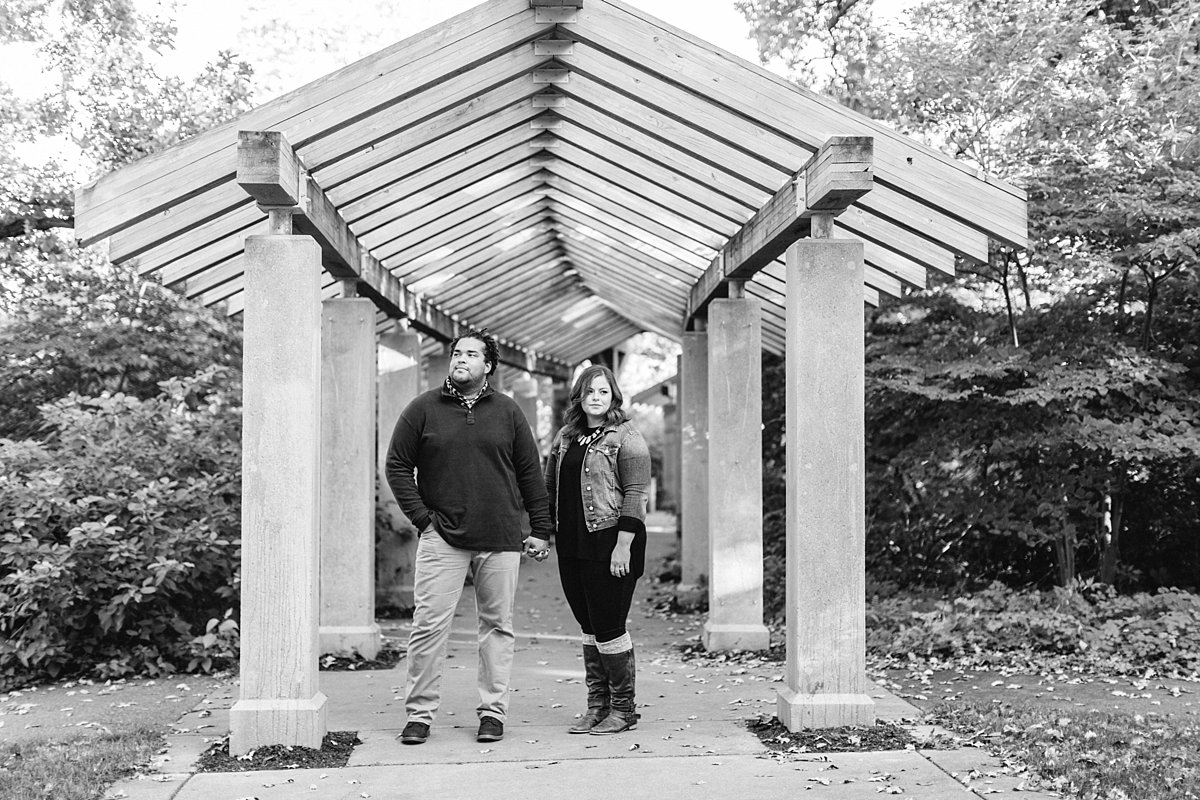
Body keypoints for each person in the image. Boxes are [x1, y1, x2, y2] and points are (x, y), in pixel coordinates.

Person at [386, 328, 551, 746]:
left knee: (497, 627)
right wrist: (423, 519)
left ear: (488, 366)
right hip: (442, 537)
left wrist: (542, 529)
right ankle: (419, 715)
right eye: (457, 353)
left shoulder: (509, 411)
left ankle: (492, 713)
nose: (461, 359)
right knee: (428, 626)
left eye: (471, 354)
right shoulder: (422, 408)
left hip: (500, 537)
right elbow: (397, 466)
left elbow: (531, 473)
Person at [541, 364, 650, 735]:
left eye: (603, 392)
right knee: (589, 626)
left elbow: (636, 493)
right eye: (590, 392)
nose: (597, 399)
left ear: (613, 395)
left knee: (609, 626)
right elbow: (550, 487)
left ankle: (623, 710)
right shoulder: (566, 437)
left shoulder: (626, 436)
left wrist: (623, 547)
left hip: (611, 541)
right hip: (572, 543)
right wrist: (544, 531)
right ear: (579, 397)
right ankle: (597, 706)